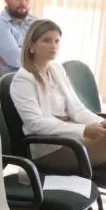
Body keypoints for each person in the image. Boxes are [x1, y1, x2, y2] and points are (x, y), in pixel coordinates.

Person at [10, 19, 106, 170]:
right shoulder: (23, 79)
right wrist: (84, 130)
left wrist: (100, 123)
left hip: (72, 137)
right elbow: (36, 124)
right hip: (51, 147)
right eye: (46, 41)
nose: (54, 46)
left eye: (57, 41)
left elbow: (77, 110)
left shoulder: (57, 69)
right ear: (31, 46)